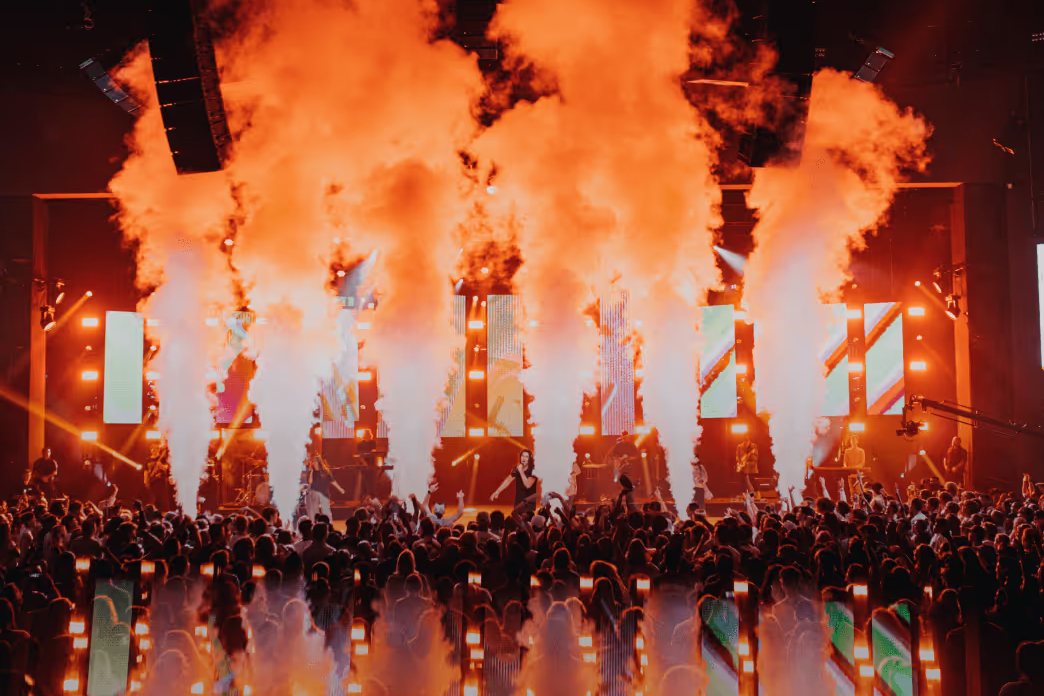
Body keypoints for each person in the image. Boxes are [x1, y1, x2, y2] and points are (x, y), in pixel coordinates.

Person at [306, 454, 344, 520]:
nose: (313, 463)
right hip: (314, 492)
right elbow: (310, 481)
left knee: (326, 510)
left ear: (318, 462)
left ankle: (328, 522)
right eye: (313, 461)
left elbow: (332, 481)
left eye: (314, 461)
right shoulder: (313, 472)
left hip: (324, 493)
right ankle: (315, 522)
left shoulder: (325, 471)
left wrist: (340, 489)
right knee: (314, 509)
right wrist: (311, 472)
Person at [144, 444, 173, 510]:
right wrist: (145, 481)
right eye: (152, 449)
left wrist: (161, 466)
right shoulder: (148, 460)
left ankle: (163, 510)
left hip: (161, 480)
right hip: (152, 481)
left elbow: (167, 468)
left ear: (158, 450)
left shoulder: (162, 459)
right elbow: (146, 471)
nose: (154, 450)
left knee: (162, 498)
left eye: (155, 449)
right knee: (153, 498)